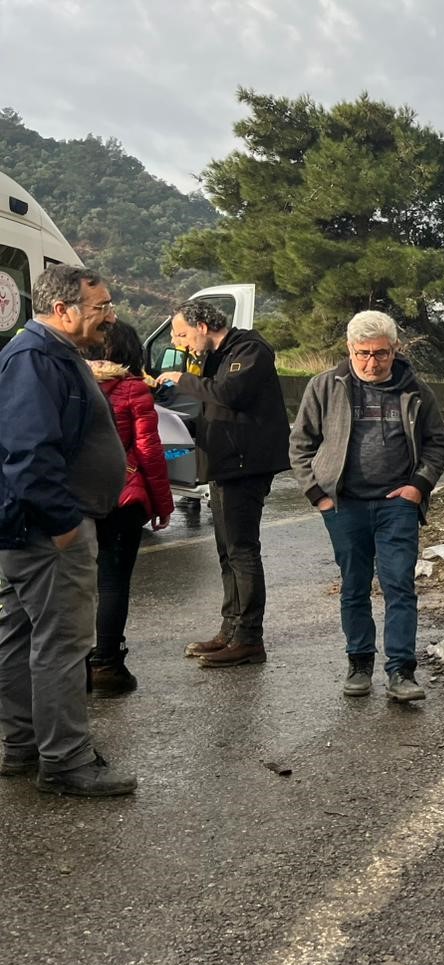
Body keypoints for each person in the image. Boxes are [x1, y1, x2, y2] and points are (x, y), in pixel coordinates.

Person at [0, 266, 137, 796]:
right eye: (100, 307)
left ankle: (24, 746)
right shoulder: (34, 358)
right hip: (50, 530)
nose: (110, 316)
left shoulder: (51, 355)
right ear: (64, 310)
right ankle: (66, 762)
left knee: (20, 635)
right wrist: (64, 528)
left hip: (40, 526)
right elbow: (29, 454)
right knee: (62, 643)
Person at [289, 311, 444, 702]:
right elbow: (300, 447)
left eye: (380, 353)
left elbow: (437, 443)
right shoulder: (325, 387)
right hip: (344, 505)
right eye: (363, 353)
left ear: (395, 349)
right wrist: (320, 497)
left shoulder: (415, 390)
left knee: (399, 584)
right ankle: (359, 662)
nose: (371, 362)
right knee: (354, 586)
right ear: (350, 349)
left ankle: (401, 671)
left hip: (397, 505)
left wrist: (418, 487)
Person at [155, 299, 289, 668]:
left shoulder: (249, 350)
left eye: (181, 334)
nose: (179, 343)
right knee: (227, 551)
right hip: (224, 463)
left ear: (202, 325)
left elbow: (229, 394)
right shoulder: (217, 355)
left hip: (245, 465)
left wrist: (181, 379)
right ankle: (230, 629)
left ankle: (249, 639)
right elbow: (213, 406)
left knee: (242, 550)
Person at [88, 319, 174, 694]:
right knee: (112, 582)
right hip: (123, 496)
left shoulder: (69, 381)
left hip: (75, 498)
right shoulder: (133, 389)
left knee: (73, 584)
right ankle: (107, 665)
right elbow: (149, 451)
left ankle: (71, 666)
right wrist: (163, 504)